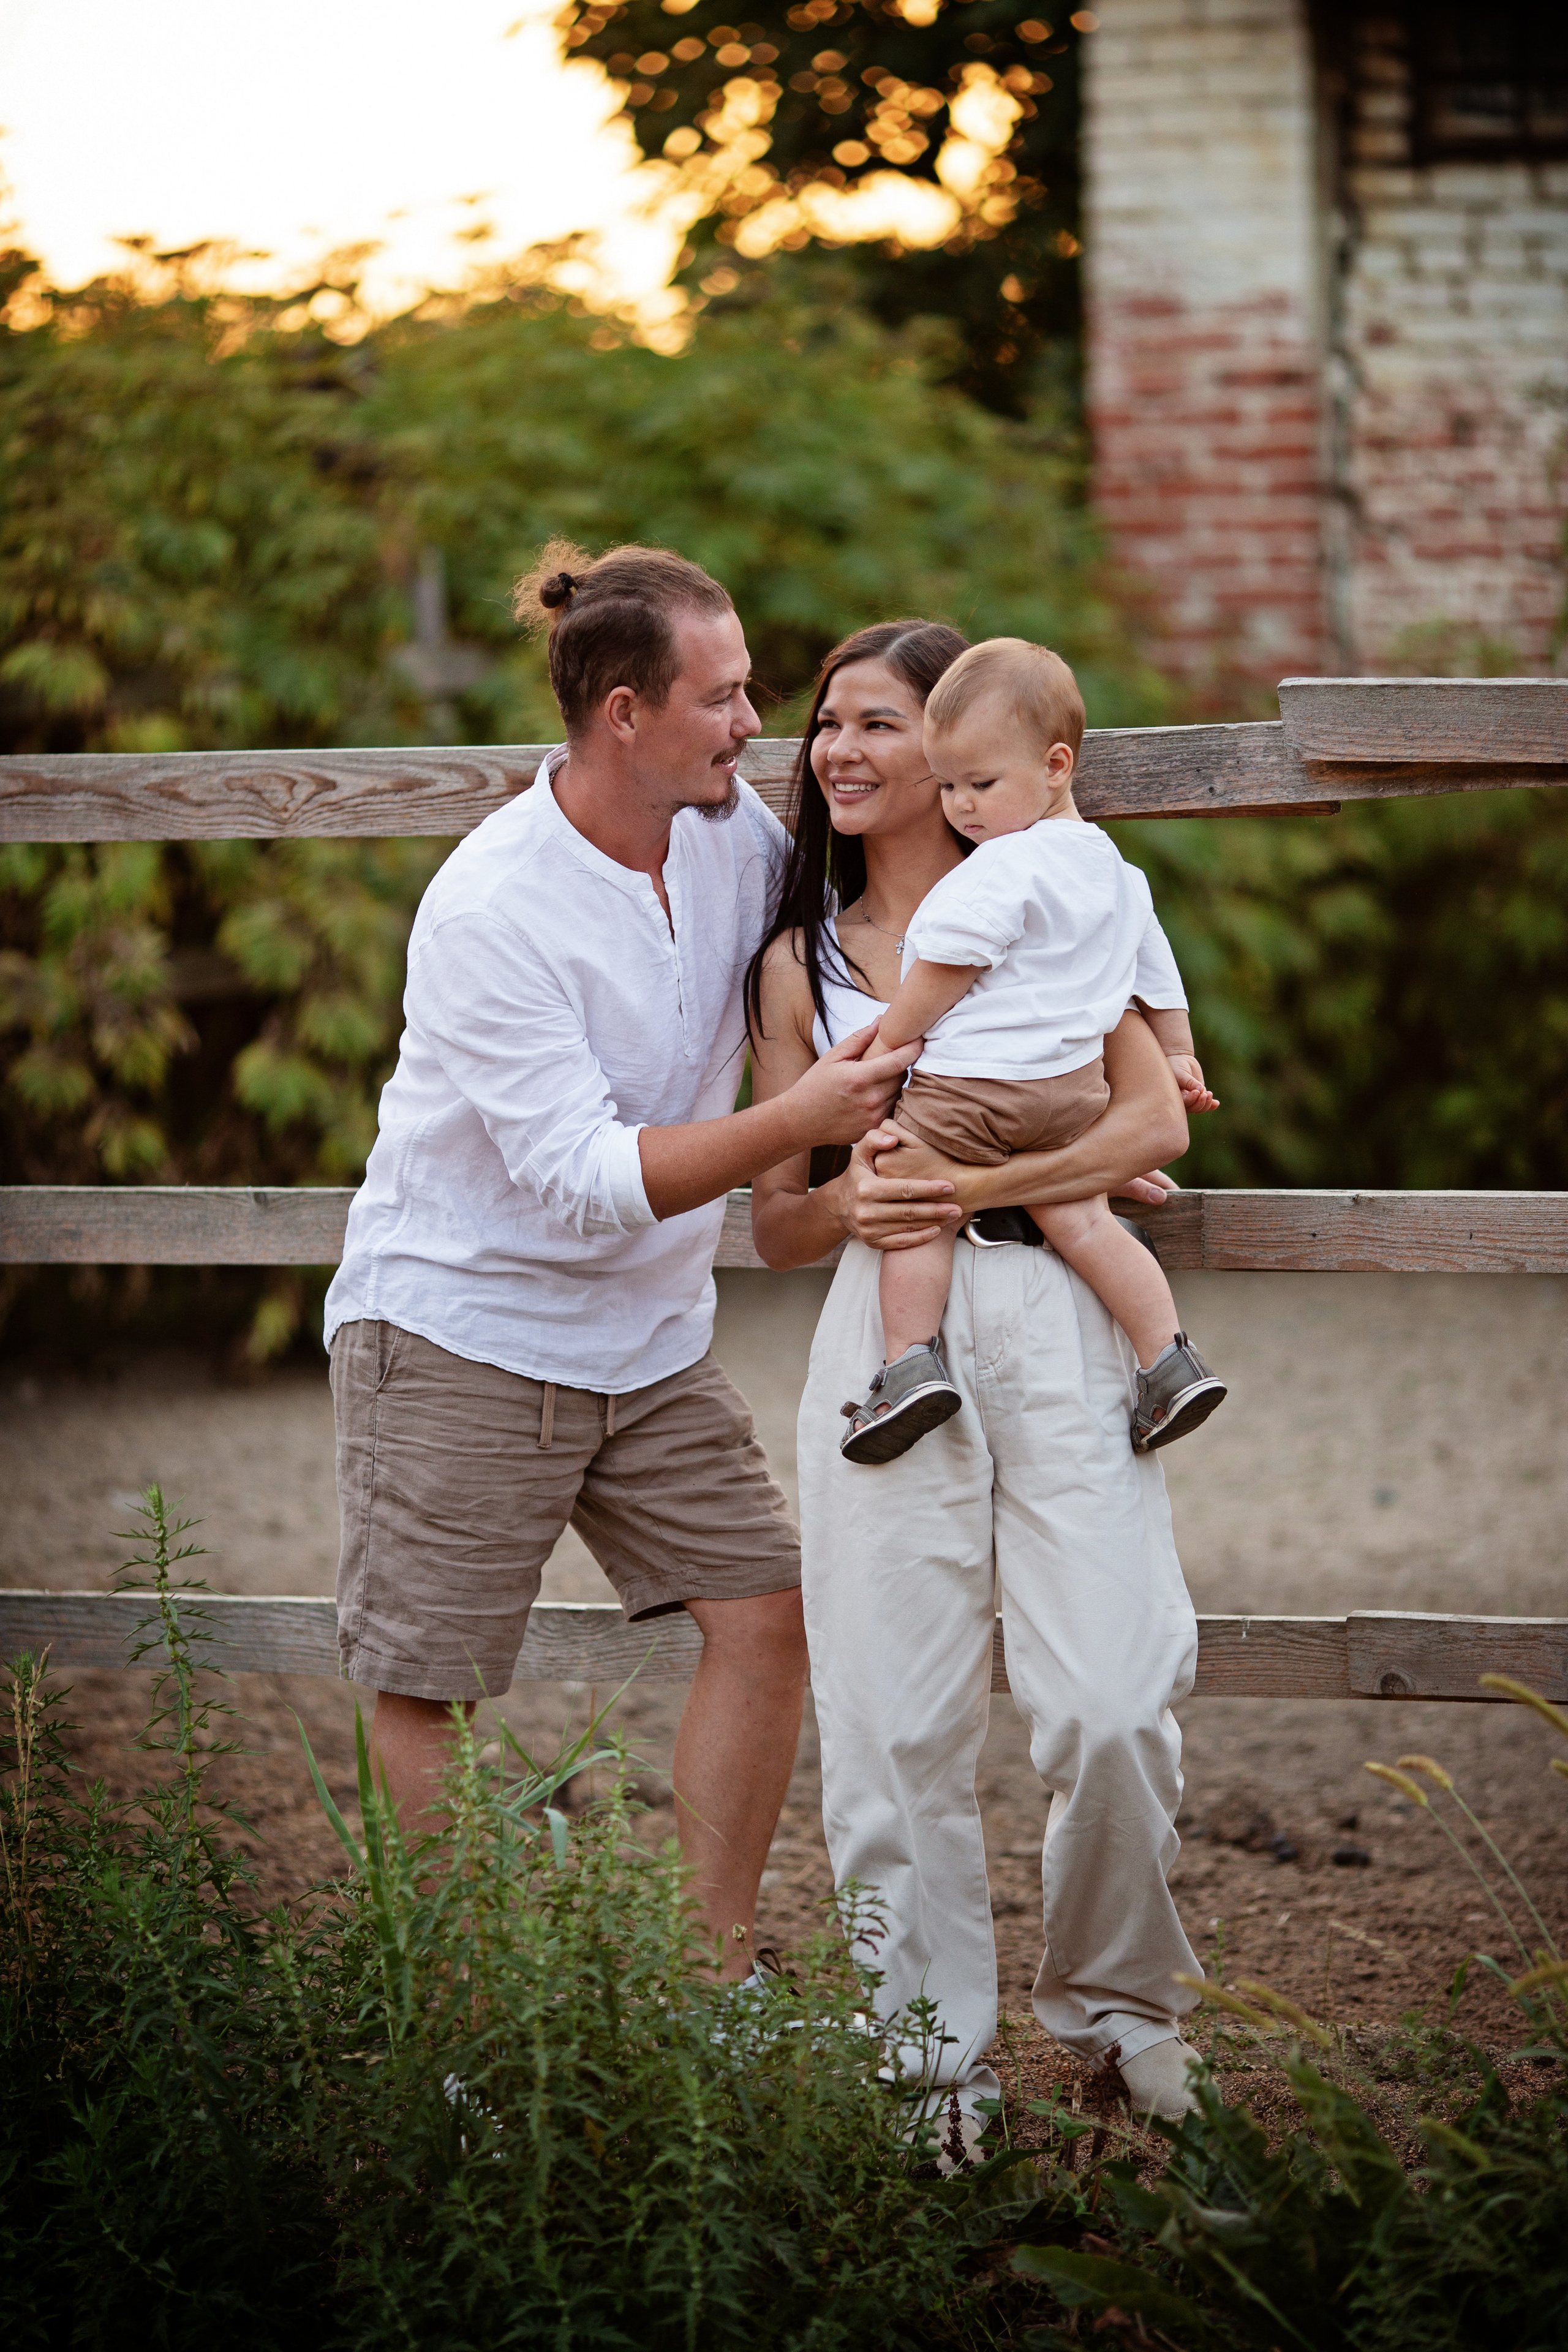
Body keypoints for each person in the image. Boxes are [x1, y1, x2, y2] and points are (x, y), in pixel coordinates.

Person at [323, 540, 924, 1978]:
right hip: (462, 1330)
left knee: (766, 1617)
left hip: (644, 1345)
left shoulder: (729, 840)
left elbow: (900, 907)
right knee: (430, 1686)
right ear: (622, 715)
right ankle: (458, 2031)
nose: (751, 728)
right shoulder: (490, 908)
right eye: (721, 698)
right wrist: (792, 1122)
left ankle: (708, 1984)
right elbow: (585, 1179)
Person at [746, 619, 1207, 2127]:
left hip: (1059, 1312)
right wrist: (861, 1206)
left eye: (880, 723)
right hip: (890, 1333)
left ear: (961, 762)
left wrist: (990, 1180)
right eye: (828, 727)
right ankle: (924, 2054)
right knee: (889, 1721)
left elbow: (1153, 1129)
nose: (845, 752)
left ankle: (1123, 2007)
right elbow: (779, 1221)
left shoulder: (1062, 906)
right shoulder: (795, 964)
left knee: (1114, 1697)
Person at [837, 636, 1226, 1467]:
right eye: (947, 787)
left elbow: (948, 967)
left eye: (981, 784)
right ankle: (1167, 1359)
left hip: (969, 1091)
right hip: (1072, 1093)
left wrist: (893, 1039)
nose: (963, 808)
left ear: (1057, 765)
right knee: (1084, 1218)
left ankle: (907, 1366)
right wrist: (1179, 1055)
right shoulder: (1118, 875)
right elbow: (1153, 972)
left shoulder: (998, 869)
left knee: (916, 1206)